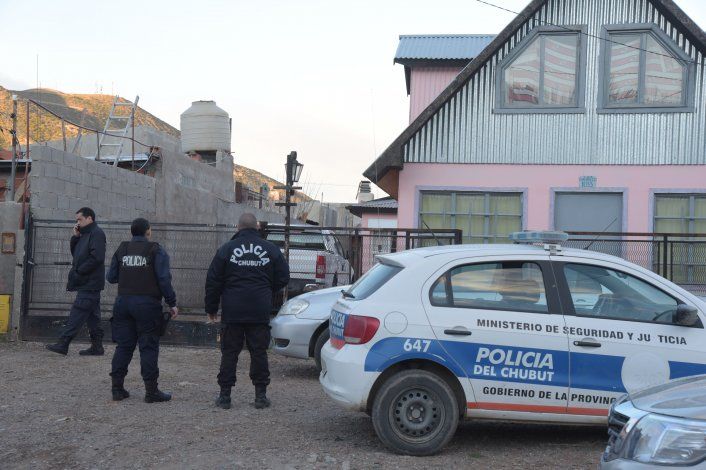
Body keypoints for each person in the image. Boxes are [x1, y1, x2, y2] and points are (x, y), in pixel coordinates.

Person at [205, 212, 289, 410]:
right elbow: (284, 276)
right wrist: (266, 289)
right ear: (257, 227)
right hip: (259, 309)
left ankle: (225, 397)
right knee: (259, 352)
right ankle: (261, 396)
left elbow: (213, 281)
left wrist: (211, 308)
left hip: (233, 309)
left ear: (238, 227)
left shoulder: (226, 249)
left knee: (229, 352)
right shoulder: (270, 249)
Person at [106, 217, 178, 403]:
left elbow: (111, 277)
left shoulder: (122, 249)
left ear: (131, 232)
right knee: (148, 347)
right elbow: (164, 279)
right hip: (147, 305)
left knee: (124, 346)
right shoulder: (156, 249)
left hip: (123, 303)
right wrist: (172, 302)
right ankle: (151, 392)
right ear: (148, 231)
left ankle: (117, 389)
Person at [46, 207, 107, 356]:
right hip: (87, 282)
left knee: (78, 312)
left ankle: (63, 343)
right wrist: (76, 237)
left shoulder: (97, 233)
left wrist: (79, 271)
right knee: (93, 316)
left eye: (80, 219)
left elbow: (97, 258)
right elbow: (77, 255)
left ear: (89, 218)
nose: (77, 222)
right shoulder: (84, 235)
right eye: (76, 220)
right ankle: (97, 347)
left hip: (90, 282)